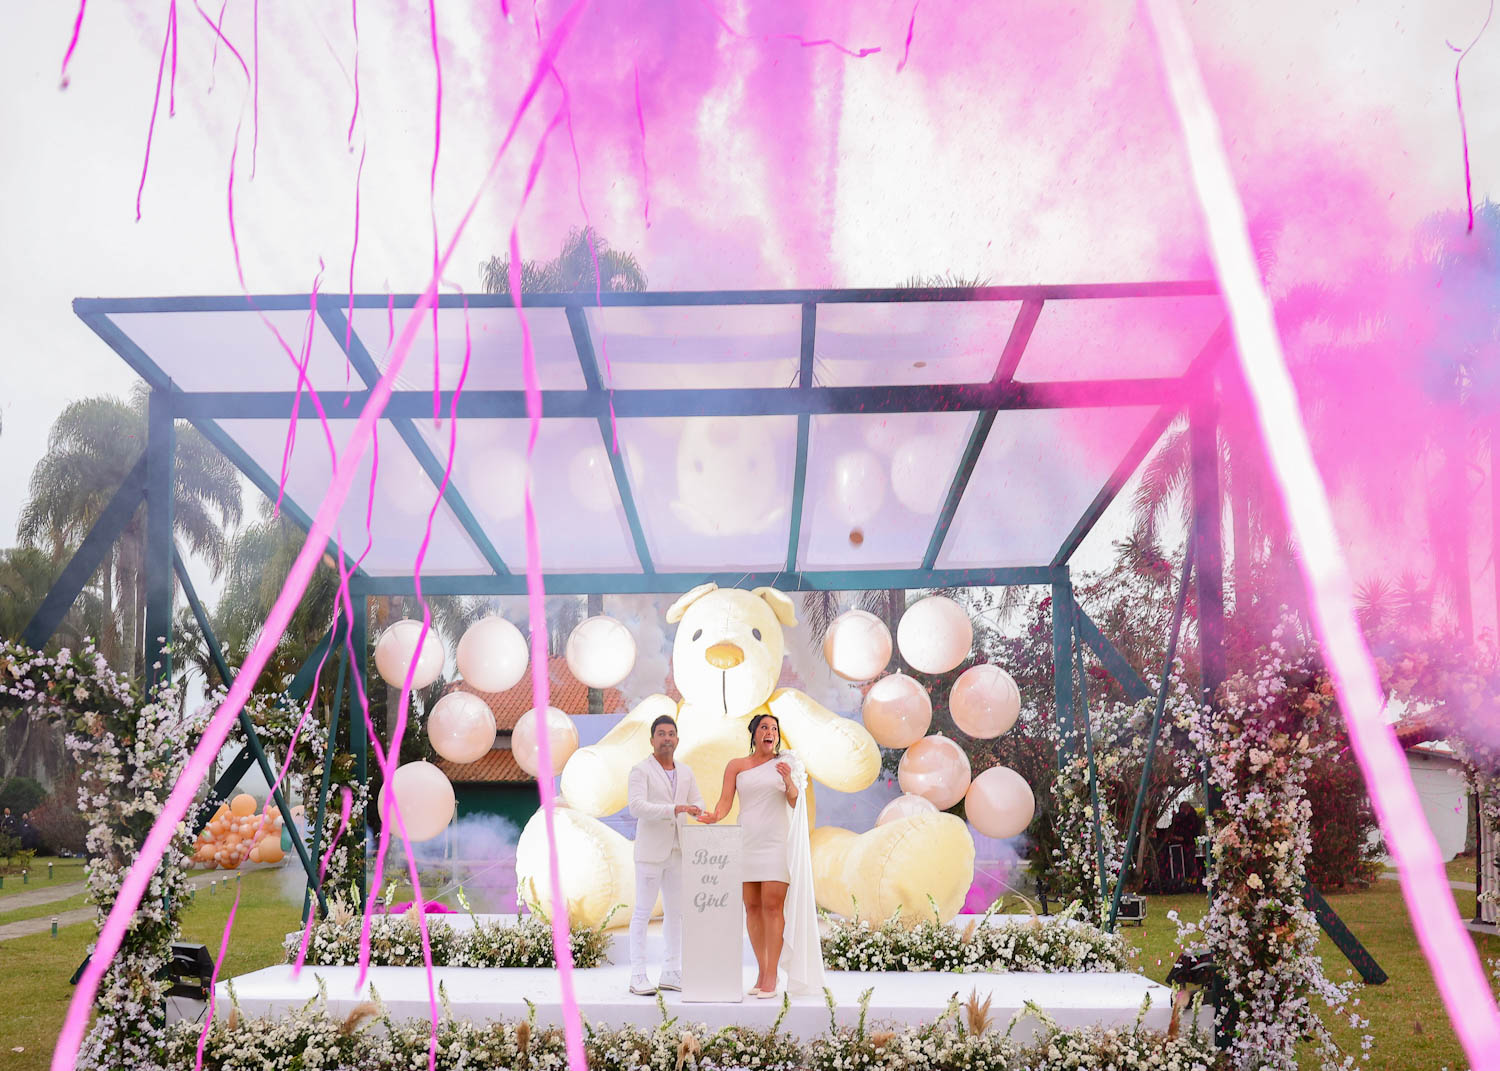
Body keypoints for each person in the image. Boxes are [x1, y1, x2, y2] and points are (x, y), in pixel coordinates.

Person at [700, 712, 824, 998]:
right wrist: (713, 817)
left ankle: (771, 976)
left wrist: (789, 780)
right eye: (765, 727)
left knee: (772, 906)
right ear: (754, 733)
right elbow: (724, 803)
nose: (770, 732)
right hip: (746, 843)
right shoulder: (736, 766)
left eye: (774, 729)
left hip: (775, 843)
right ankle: (762, 970)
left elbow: (794, 800)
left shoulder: (785, 763)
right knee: (752, 907)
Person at [626, 714, 704, 997]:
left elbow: (697, 801)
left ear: (678, 739)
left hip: (678, 851)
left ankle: (671, 971)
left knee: (676, 914)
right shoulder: (640, 770)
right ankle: (637, 974)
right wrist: (674, 809)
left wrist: (700, 812)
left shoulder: (686, 771)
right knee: (643, 912)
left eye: (671, 734)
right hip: (650, 853)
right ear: (652, 740)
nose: (667, 738)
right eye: (661, 734)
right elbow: (636, 806)